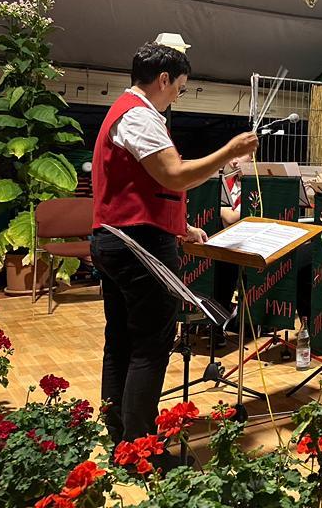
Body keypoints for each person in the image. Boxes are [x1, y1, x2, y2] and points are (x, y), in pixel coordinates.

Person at [91, 42, 257, 446]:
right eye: (180, 88)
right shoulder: (139, 115)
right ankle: (140, 445)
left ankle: (120, 436)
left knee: (122, 339)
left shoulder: (128, 112)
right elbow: (174, 174)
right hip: (137, 243)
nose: (178, 97)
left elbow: (143, 186)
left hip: (121, 238)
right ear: (163, 79)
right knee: (151, 343)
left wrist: (179, 226)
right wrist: (229, 151)